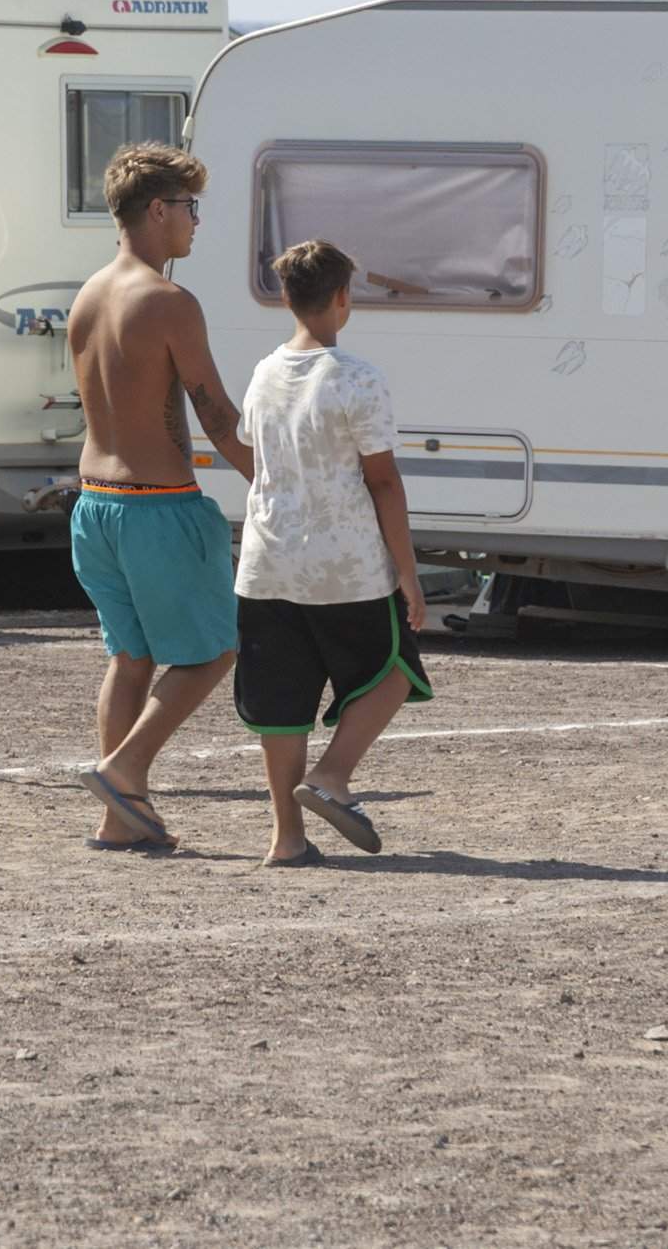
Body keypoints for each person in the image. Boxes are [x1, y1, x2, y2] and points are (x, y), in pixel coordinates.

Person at [68, 145, 255, 852]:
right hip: (158, 504)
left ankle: (121, 817)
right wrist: (273, 481)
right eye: (188, 207)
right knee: (217, 648)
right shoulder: (169, 302)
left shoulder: (88, 294)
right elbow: (217, 416)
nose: (195, 221)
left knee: (131, 658)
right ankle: (125, 770)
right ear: (156, 210)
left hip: (95, 505)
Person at [230, 239, 433, 868]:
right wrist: (408, 572)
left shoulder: (264, 373)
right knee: (396, 671)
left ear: (286, 299)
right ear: (343, 298)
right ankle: (333, 775)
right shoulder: (357, 377)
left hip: (266, 562)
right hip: (345, 564)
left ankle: (286, 839)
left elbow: (256, 453)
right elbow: (383, 481)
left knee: (281, 706)